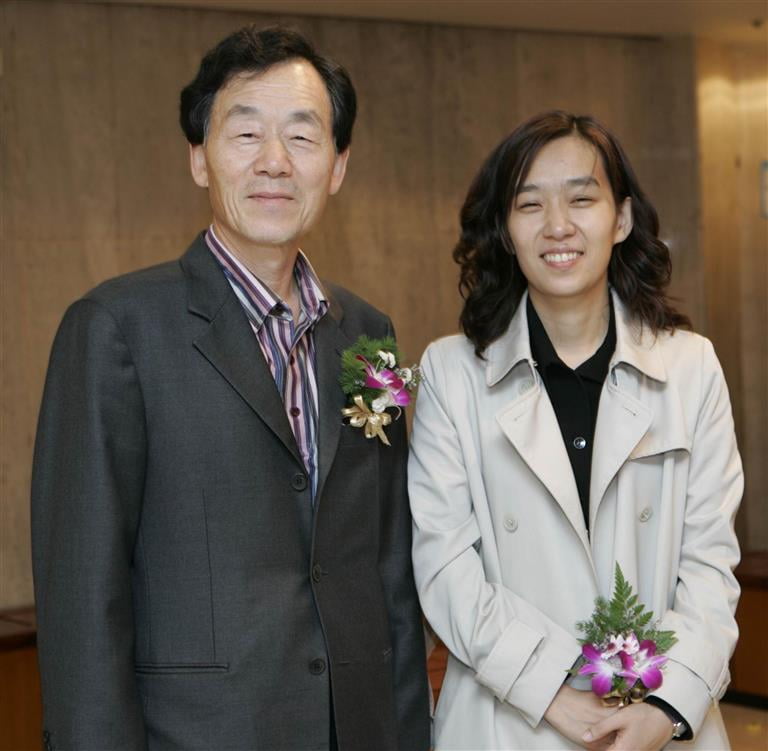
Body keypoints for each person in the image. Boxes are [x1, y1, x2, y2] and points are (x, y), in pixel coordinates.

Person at [31, 25, 429, 751]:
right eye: (245, 133)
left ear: (337, 166)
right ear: (198, 158)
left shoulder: (368, 334)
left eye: (303, 138)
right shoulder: (116, 328)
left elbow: (385, 568)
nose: (274, 162)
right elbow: (83, 597)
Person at [408, 111, 742, 750]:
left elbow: (709, 563)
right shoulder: (452, 374)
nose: (557, 226)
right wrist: (550, 693)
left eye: (581, 199)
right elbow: (445, 567)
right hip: (509, 719)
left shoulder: (690, 367)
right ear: (505, 231)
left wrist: (667, 706)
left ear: (620, 218)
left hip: (658, 719)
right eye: (529, 205)